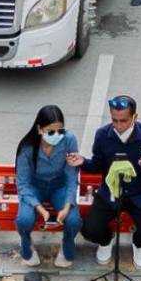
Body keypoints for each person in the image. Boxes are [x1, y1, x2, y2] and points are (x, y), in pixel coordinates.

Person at [70, 94, 141, 267]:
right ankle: (106, 240)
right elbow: (98, 165)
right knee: (90, 230)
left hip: (139, 192)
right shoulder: (102, 135)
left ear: (135, 117)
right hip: (110, 193)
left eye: (124, 121)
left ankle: (139, 245)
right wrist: (82, 162)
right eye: (114, 120)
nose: (119, 126)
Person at [14, 105, 83, 268]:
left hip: (59, 186)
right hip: (34, 187)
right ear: (39, 129)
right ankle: (26, 241)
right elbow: (23, 184)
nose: (57, 135)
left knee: (73, 220)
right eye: (51, 132)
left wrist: (67, 206)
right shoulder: (26, 147)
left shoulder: (69, 140)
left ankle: (67, 243)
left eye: (60, 131)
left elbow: (71, 176)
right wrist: (40, 208)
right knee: (24, 219)